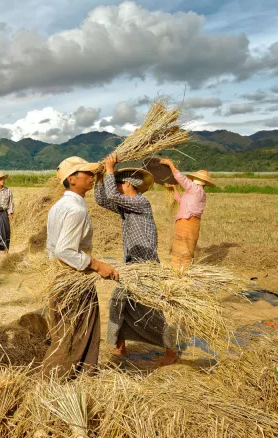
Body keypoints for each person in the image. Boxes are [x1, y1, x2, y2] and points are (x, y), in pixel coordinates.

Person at [96, 153, 178, 366]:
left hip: (145, 264)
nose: (116, 185)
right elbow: (103, 199)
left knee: (151, 308)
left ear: (128, 185)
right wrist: (99, 178)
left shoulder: (140, 202)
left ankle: (171, 351)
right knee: (119, 302)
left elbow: (112, 196)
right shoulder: (126, 205)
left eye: (118, 182)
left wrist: (109, 171)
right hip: (132, 263)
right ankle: (120, 346)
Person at [43, 157, 118, 378]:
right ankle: (55, 379)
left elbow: (53, 247)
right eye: (86, 173)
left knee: (72, 331)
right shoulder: (75, 210)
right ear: (72, 179)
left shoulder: (59, 206)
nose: (91, 177)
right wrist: (97, 265)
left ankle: (80, 377)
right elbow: (64, 250)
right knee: (75, 333)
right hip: (72, 278)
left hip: (61, 278)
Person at [160, 159, 214, 270]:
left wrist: (170, 164)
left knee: (181, 246)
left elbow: (180, 178)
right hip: (194, 223)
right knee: (188, 246)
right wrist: (175, 189)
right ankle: (184, 269)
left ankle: (178, 269)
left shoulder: (193, 188)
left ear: (195, 180)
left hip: (186, 221)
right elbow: (181, 201)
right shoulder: (201, 194)